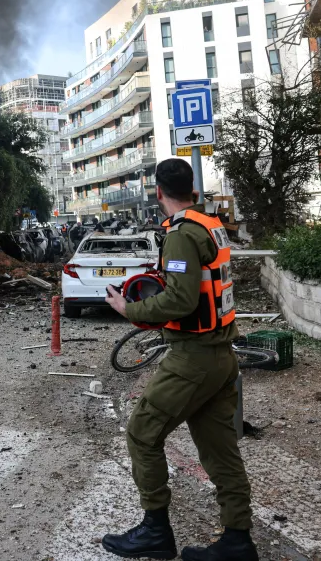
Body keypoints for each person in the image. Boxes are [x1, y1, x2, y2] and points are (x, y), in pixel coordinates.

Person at [101, 158, 256, 561]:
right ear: (192, 189)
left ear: (158, 193)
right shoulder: (210, 224)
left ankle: (155, 531)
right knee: (221, 451)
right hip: (221, 355)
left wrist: (128, 310)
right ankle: (238, 542)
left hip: (194, 359)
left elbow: (182, 299)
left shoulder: (182, 234)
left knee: (141, 432)